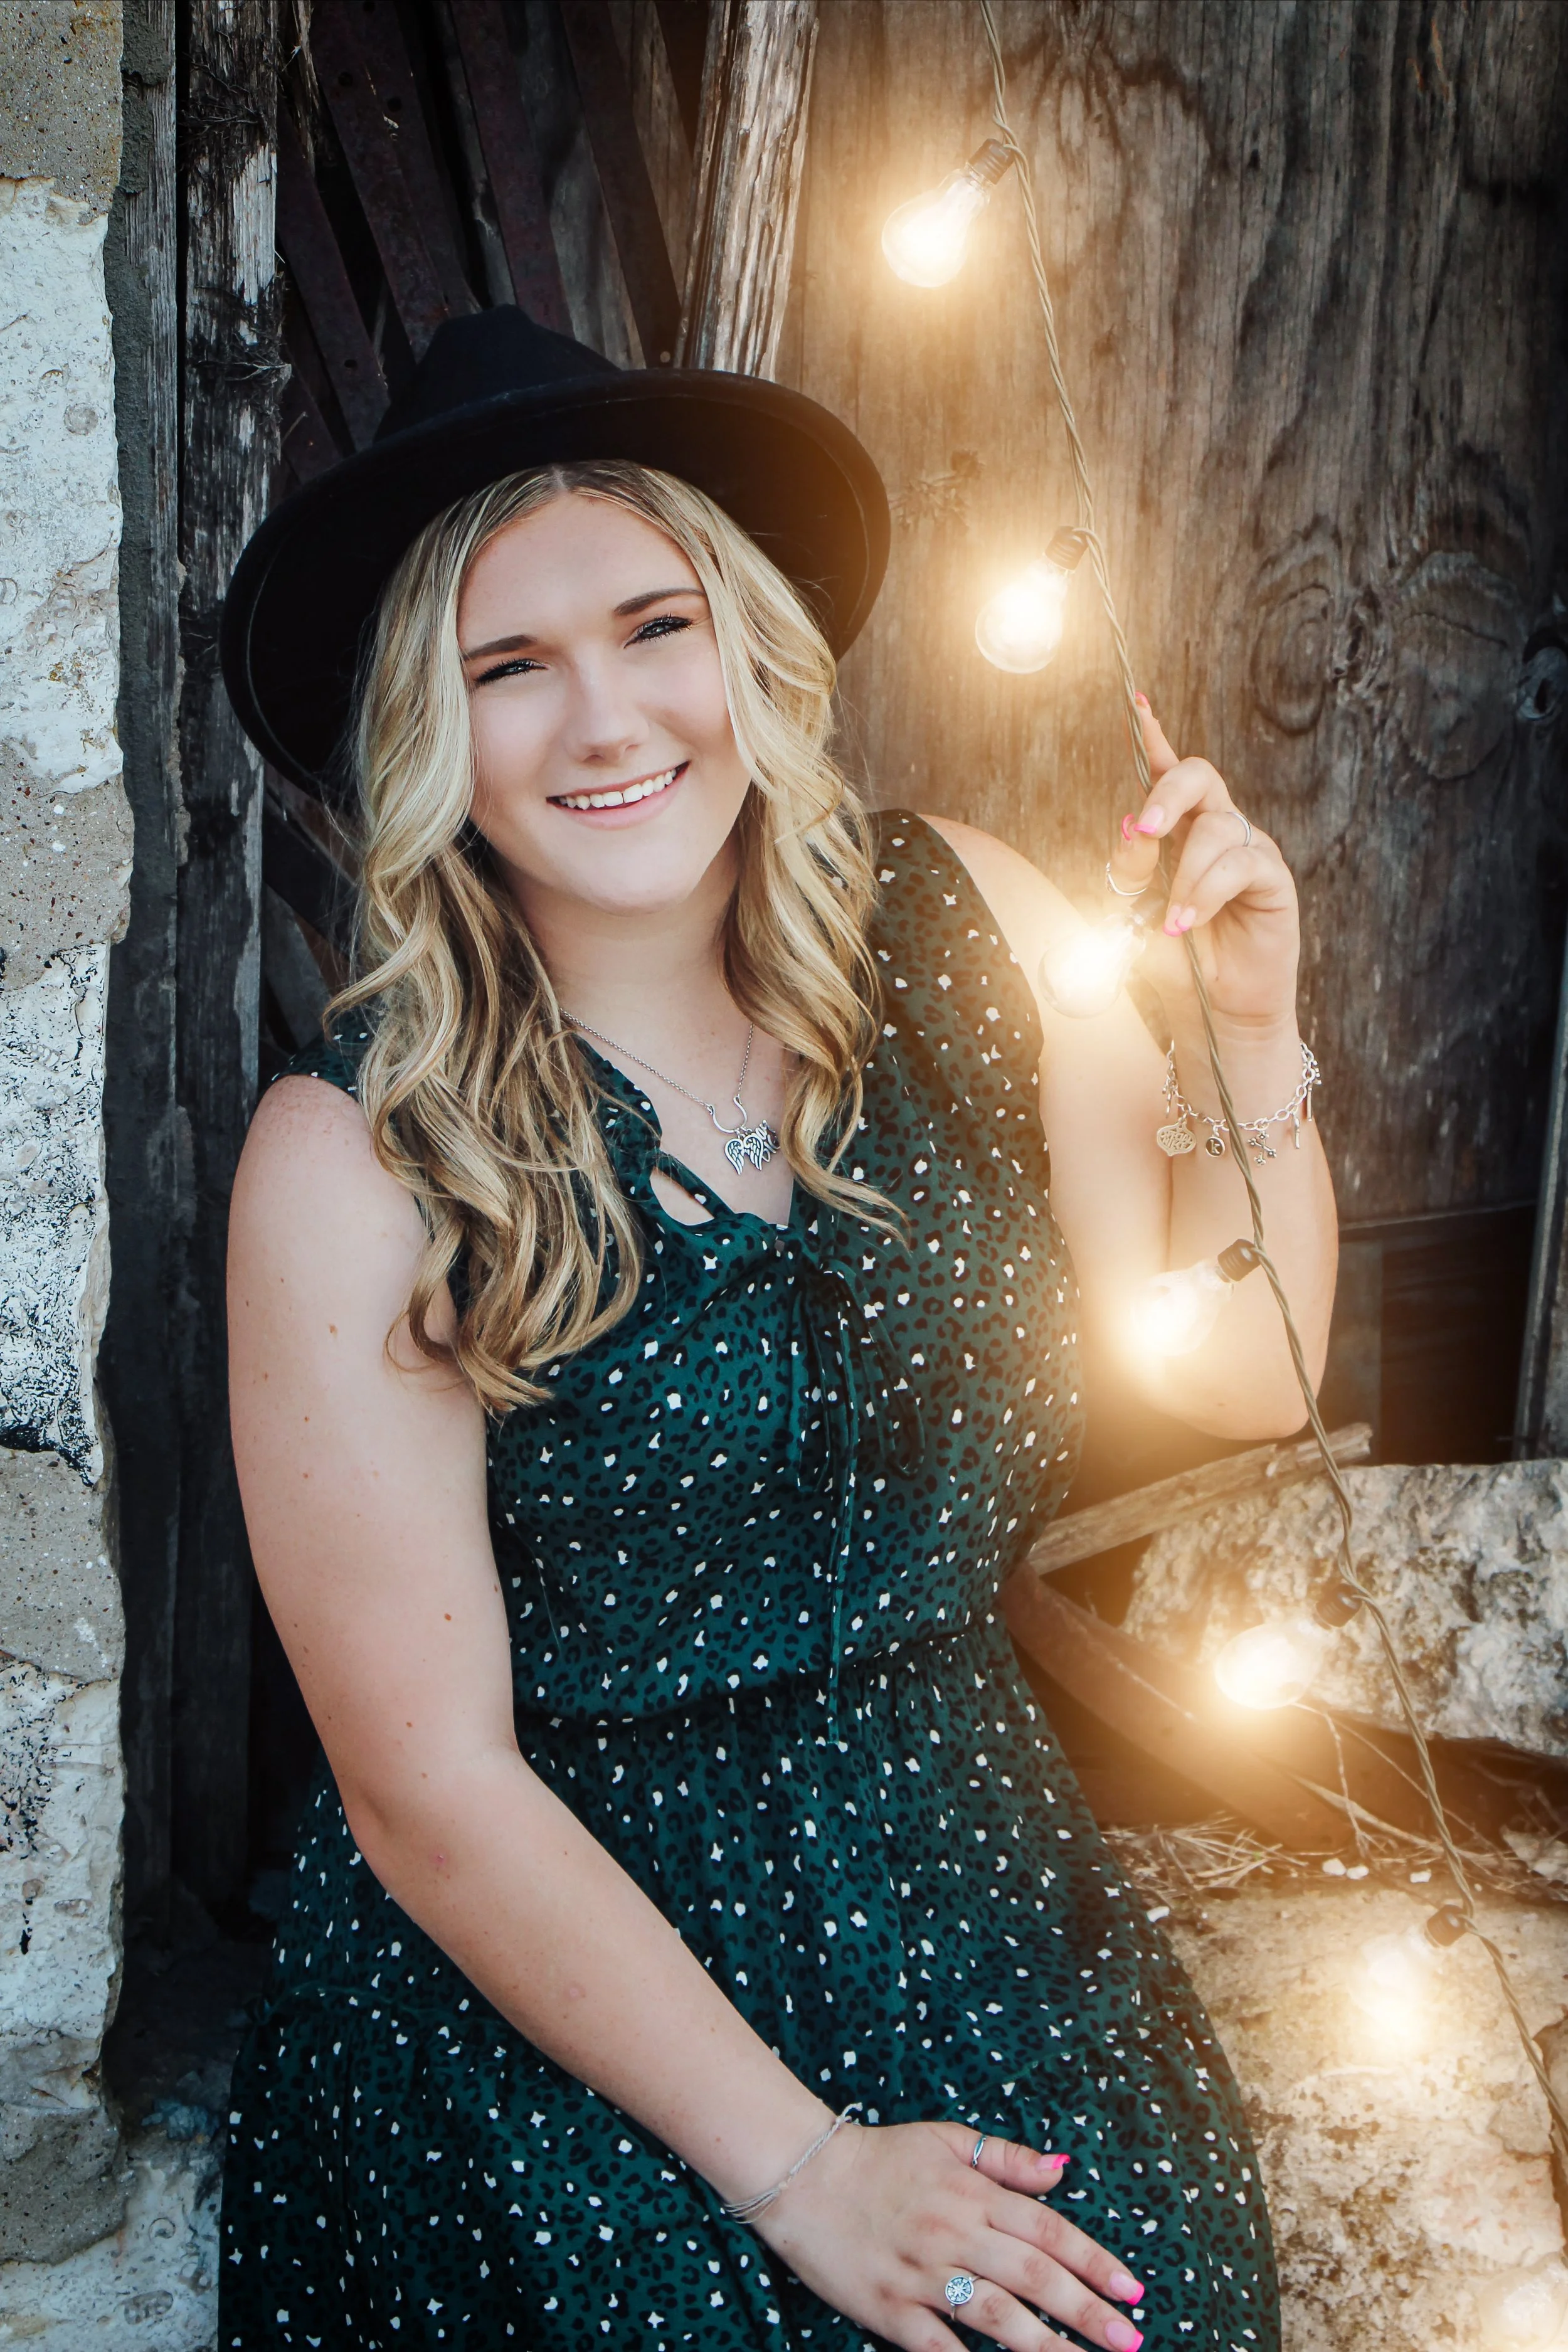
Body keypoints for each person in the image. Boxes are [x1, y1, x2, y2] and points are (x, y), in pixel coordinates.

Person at [218, 306, 1335, 2352]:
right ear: (428, 739)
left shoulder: (970, 928)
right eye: (507, 668)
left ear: (749, 642)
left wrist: (1252, 1028)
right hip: (562, 2029)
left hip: (991, 1923)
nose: (604, 720)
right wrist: (803, 2169)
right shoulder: (357, 1155)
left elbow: (1243, 1366)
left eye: (655, 625)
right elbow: (428, 1789)